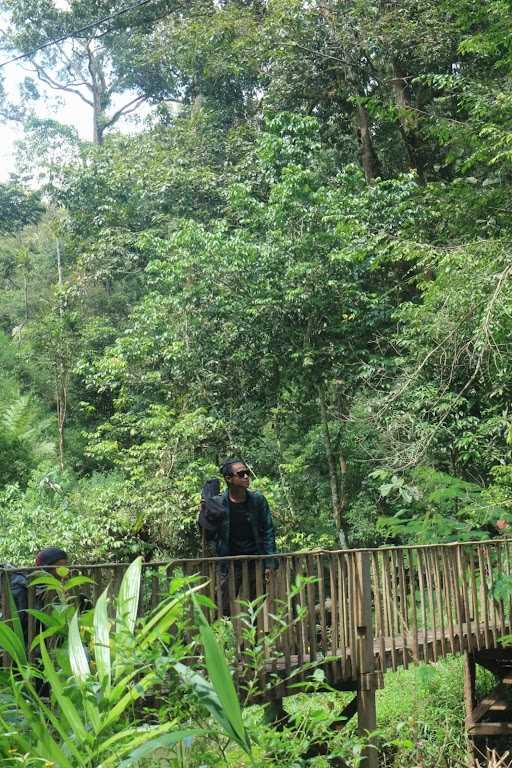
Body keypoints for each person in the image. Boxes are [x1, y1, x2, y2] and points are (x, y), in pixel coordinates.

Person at [201, 458, 277, 610]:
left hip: (255, 561)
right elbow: (207, 532)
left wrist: (269, 563)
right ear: (229, 478)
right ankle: (221, 633)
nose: (246, 477)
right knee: (222, 607)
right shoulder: (218, 503)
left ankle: (253, 633)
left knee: (254, 608)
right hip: (229, 564)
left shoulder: (258, 500)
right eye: (241, 474)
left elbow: (268, 530)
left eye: (247, 473)